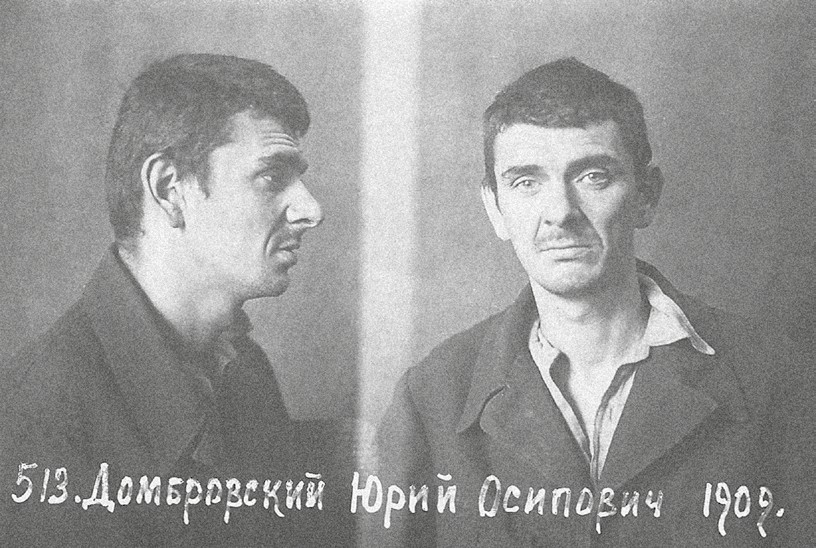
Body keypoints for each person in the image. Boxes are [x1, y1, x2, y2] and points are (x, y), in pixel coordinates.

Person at [376, 58, 815, 546]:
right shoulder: (432, 396)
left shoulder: (778, 378)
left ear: (646, 195)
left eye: (592, 176)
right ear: (495, 208)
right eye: (526, 182)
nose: (560, 213)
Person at [1, 54, 353, 546]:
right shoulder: (38, 419)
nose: (311, 210)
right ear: (169, 189)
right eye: (272, 177)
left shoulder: (245, 371)